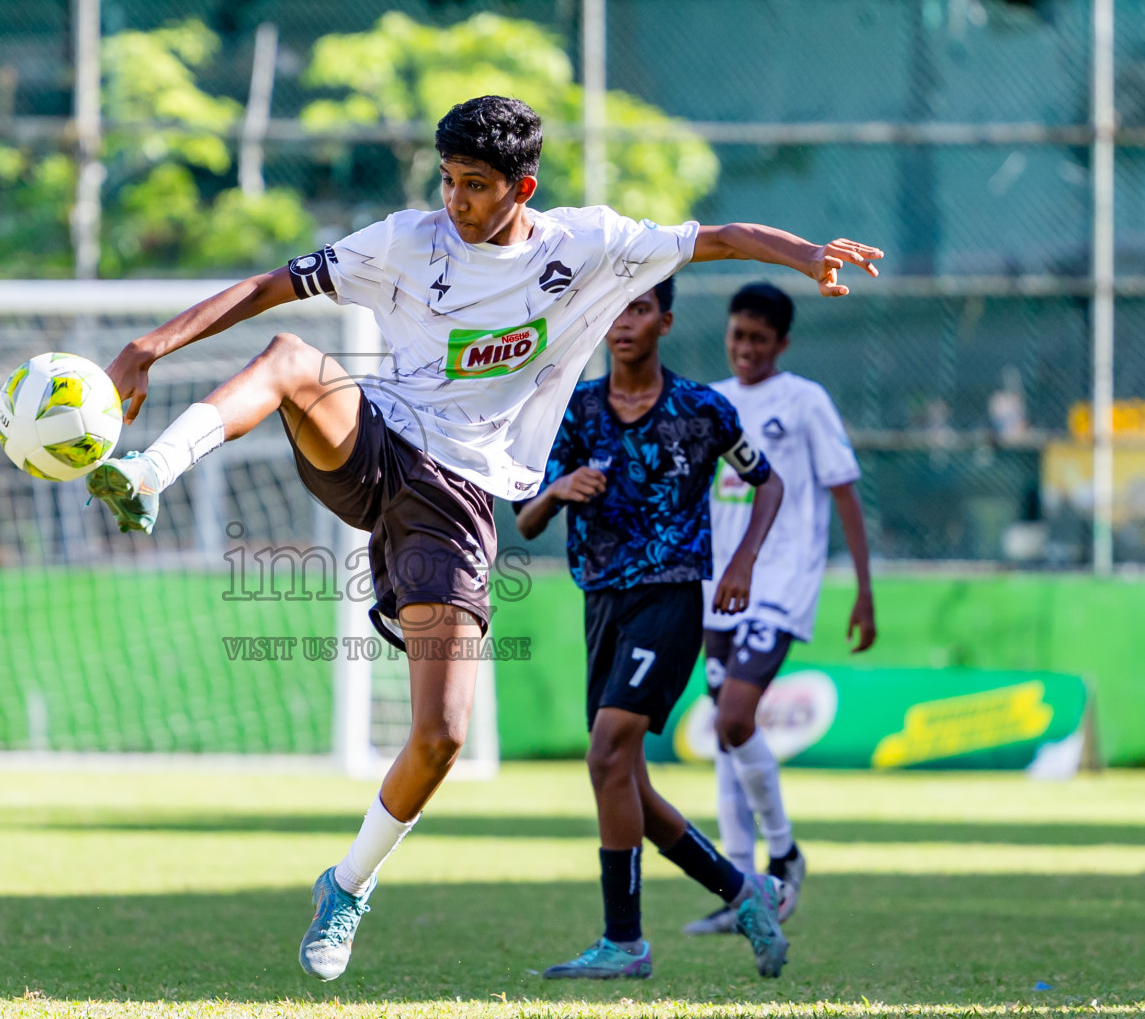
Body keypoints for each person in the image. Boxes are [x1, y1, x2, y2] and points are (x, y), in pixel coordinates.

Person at [85, 94, 881, 982]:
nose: (455, 202)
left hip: (461, 505)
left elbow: (720, 236)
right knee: (288, 356)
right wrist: (148, 347)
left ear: (521, 187)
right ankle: (149, 474)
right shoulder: (406, 241)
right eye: (447, 181)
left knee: (442, 736)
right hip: (375, 447)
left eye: (473, 186)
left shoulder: (590, 249)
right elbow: (272, 284)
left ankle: (348, 884)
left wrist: (807, 255)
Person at [513, 277, 789, 980]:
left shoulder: (702, 409)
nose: (623, 321)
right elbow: (526, 519)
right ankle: (742, 888)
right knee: (625, 780)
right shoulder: (576, 412)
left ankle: (625, 941)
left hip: (668, 600)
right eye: (613, 309)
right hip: (601, 604)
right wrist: (557, 489)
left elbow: (769, 483)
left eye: (637, 308)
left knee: (606, 754)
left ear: (664, 320)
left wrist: (743, 564)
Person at [684, 282, 877, 937]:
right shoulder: (712, 402)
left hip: (781, 579)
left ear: (782, 344)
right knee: (725, 734)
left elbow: (843, 492)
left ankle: (785, 853)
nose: (745, 349)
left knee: (735, 717)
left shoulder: (803, 401)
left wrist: (863, 590)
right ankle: (743, 890)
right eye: (738, 335)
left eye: (759, 340)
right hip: (717, 589)